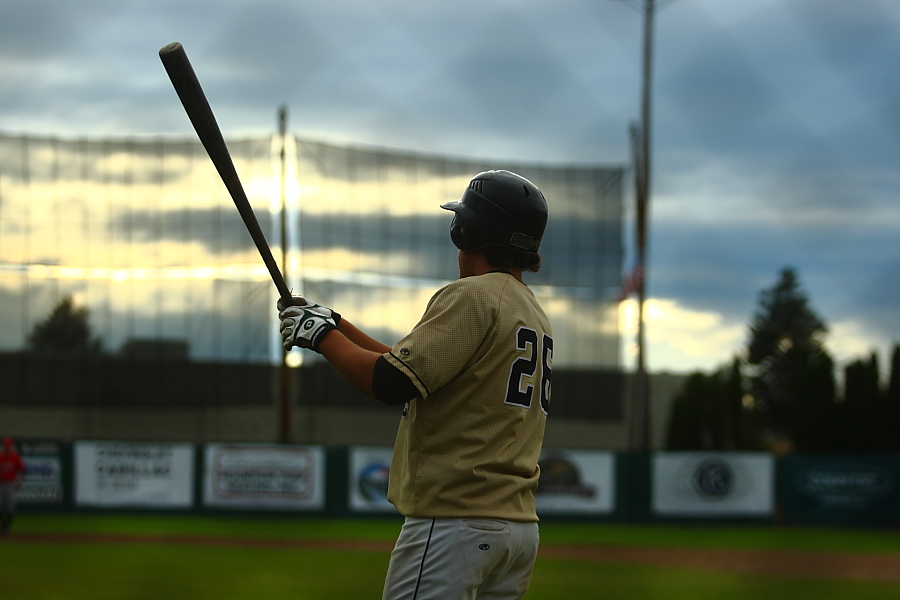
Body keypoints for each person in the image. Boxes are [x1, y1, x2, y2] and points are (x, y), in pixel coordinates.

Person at [279, 170, 552, 600]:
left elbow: (388, 382)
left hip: (454, 523)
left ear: (466, 231)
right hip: (514, 532)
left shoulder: (472, 295)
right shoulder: (530, 310)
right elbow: (406, 366)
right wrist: (334, 325)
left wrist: (320, 336)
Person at [0, 436, 26, 536]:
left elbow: (22, 470)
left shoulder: (15, 457)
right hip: (0, 483)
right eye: (5, 446)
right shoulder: (0, 456)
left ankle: (5, 527)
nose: (6, 447)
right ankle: (3, 527)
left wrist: (19, 482)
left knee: (10, 507)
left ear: (11, 446)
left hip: (10, 483)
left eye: (8, 446)